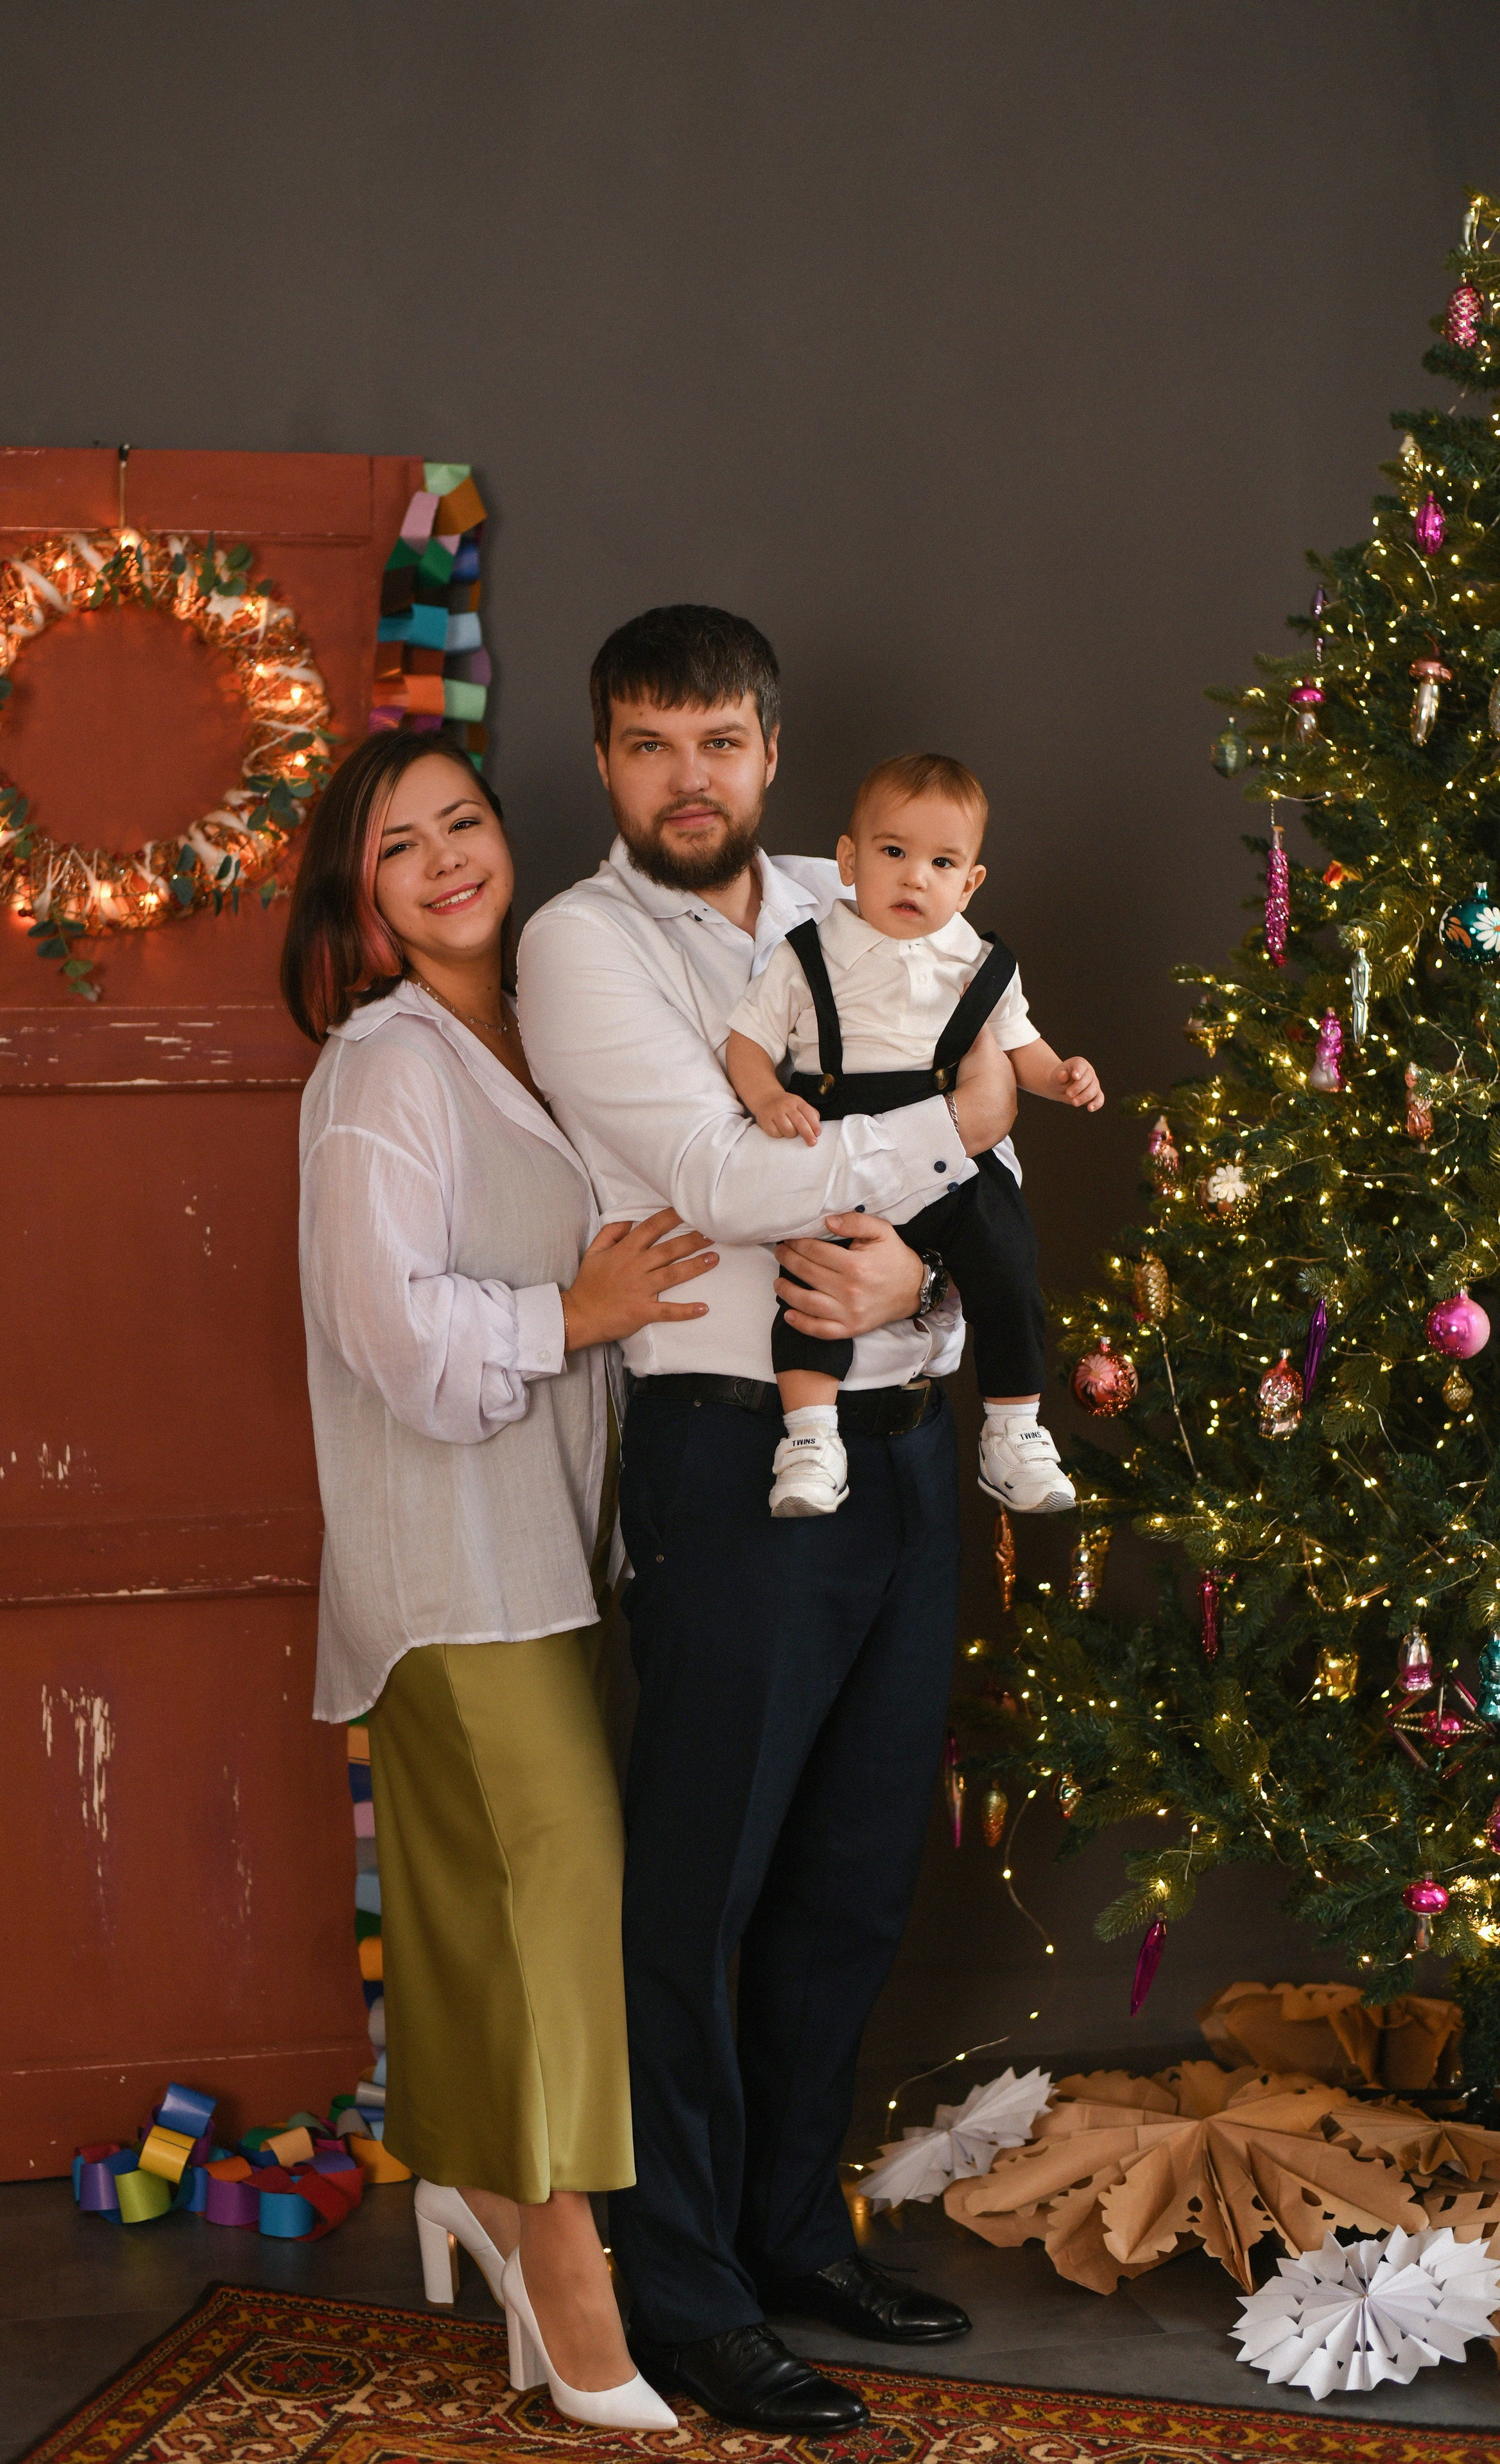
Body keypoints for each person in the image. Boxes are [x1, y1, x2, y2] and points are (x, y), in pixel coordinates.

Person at [519, 606, 1020, 2438]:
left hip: (896, 1442)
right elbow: (723, 1178)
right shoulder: (582, 946)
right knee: (702, 1886)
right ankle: (686, 2288)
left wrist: (921, 1279)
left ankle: (796, 2230)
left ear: (770, 752)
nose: (688, 778)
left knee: (854, 1873)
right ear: (604, 762)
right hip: (732, 1453)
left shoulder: (854, 889)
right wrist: (939, 1165)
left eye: (719, 741)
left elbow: (1001, 1132)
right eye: (650, 745)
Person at [284, 727, 718, 2436]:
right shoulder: (383, 1066)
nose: (449, 857)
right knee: (553, 1898)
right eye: (404, 845)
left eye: (463, 821)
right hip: (450, 1562)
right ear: (363, 894)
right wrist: (579, 1319)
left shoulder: (535, 1031)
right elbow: (384, 1328)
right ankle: (566, 2262)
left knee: (516, 1909)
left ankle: (473, 2181)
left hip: (548, 1547)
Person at [725, 750, 1102, 1518]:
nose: (914, 878)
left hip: (949, 1150)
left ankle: (1012, 1428)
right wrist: (765, 1096)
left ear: (970, 883)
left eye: (941, 862)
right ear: (848, 859)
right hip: (839, 1130)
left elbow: (1019, 1048)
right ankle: (807, 1436)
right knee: (813, 1281)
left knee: (1006, 1257)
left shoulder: (977, 964)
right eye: (892, 853)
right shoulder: (807, 955)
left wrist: (1060, 1074)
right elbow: (746, 1041)